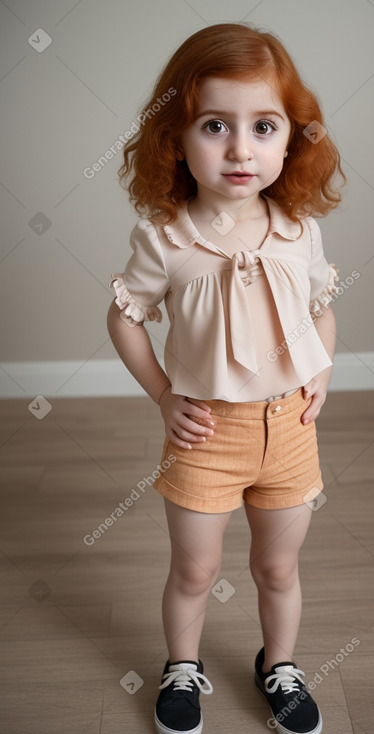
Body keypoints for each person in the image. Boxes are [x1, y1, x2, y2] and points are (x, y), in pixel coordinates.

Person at [107, 22, 346, 734]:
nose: (241, 149)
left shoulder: (298, 228)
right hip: (206, 432)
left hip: (289, 431)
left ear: (290, 137)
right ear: (174, 137)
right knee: (195, 571)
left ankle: (280, 664)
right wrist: (163, 395)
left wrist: (321, 372)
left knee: (278, 570)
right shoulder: (166, 237)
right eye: (215, 125)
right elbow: (125, 317)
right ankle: (182, 665)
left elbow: (320, 310)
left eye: (263, 126)